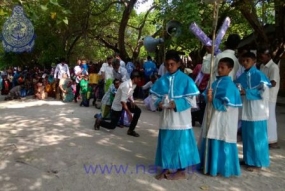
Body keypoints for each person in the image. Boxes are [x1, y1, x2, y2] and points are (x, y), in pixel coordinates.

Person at [149, 50, 200, 180]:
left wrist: (175, 104)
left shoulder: (186, 80)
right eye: (167, 64)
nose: (169, 67)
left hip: (181, 119)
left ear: (178, 64)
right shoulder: (162, 80)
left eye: (172, 64)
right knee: (166, 142)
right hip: (167, 118)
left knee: (180, 144)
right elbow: (154, 96)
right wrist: (159, 103)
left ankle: (181, 171)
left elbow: (191, 100)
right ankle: (166, 167)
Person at [199, 57, 242, 177]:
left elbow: (227, 106)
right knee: (210, 136)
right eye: (218, 66)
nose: (219, 69)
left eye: (223, 67)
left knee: (220, 137)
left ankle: (217, 167)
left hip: (222, 117)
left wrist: (213, 100)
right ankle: (207, 164)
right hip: (212, 114)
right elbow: (207, 93)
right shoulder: (215, 82)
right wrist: (206, 96)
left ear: (230, 69)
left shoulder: (230, 86)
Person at [235, 52, 271, 172]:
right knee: (247, 135)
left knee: (257, 136)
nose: (245, 63)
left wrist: (248, 93)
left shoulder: (259, 75)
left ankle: (258, 162)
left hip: (257, 110)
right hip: (246, 109)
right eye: (243, 60)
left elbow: (264, 92)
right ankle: (248, 159)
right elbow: (236, 85)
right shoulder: (243, 75)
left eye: (248, 60)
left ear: (254, 61)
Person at [94, 71, 142, 137]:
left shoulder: (134, 85)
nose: (140, 80)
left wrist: (132, 101)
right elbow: (122, 102)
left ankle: (131, 130)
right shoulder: (126, 85)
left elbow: (128, 94)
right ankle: (99, 122)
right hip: (118, 105)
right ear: (135, 78)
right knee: (112, 126)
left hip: (124, 102)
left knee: (138, 111)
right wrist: (129, 114)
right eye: (139, 78)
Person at [258, 48, 280, 149]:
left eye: (263, 56)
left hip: (270, 96)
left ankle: (272, 141)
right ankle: (266, 139)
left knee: (270, 118)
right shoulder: (262, 66)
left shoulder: (273, 67)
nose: (261, 58)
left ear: (268, 56)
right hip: (263, 96)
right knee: (265, 117)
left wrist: (261, 85)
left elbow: (273, 82)